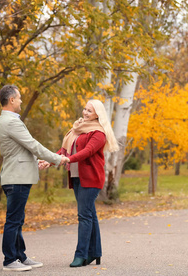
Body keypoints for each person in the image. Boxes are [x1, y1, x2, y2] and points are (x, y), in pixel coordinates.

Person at [0, 84, 69, 272]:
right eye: (19, 98)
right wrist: (57, 158)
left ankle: (20, 256)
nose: (20, 101)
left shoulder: (5, 120)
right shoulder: (11, 122)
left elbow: (17, 151)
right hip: (16, 178)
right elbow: (32, 145)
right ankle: (10, 260)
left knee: (17, 219)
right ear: (11, 100)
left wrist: (36, 163)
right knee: (13, 220)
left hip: (15, 174)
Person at [48, 99, 119, 267]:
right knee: (89, 214)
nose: (85, 113)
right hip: (76, 176)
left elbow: (87, 152)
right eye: (85, 109)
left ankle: (81, 255)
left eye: (89, 111)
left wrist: (68, 159)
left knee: (84, 215)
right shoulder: (77, 128)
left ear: (97, 115)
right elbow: (64, 150)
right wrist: (49, 161)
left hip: (91, 178)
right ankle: (95, 253)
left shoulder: (98, 133)